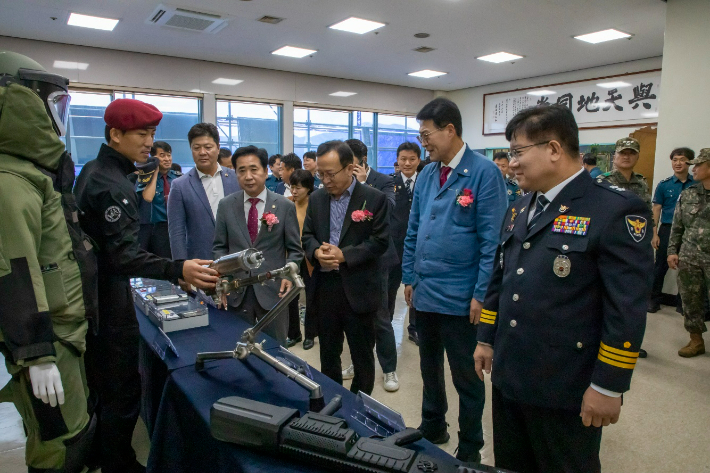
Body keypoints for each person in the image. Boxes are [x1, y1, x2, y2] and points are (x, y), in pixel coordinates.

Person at [473, 104, 653, 473]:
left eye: (517, 152)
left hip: (565, 383)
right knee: (511, 463)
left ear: (554, 148)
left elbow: (626, 308)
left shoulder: (614, 209)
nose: (511, 163)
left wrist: (608, 386)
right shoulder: (519, 207)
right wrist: (486, 337)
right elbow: (502, 278)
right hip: (511, 372)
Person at [74, 99, 219, 473]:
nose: (149, 143)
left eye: (152, 134)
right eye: (142, 134)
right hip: (107, 300)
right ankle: (119, 462)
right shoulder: (111, 185)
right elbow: (123, 256)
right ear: (115, 134)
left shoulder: (95, 170)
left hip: (95, 296)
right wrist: (178, 269)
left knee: (103, 387)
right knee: (120, 389)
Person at [0, 50, 97, 473]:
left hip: (64, 333)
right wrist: (36, 354)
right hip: (48, 340)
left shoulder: (32, 172)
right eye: (51, 105)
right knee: (60, 442)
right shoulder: (11, 180)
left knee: (73, 431)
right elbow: (14, 272)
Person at [402, 98, 507, 462]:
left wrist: (482, 294)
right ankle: (433, 425)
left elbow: (491, 241)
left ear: (450, 130)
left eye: (426, 134)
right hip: (426, 291)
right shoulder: (429, 173)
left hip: (463, 298)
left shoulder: (484, 173)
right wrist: (409, 276)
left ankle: (472, 445)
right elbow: (414, 229)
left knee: (467, 377)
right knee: (429, 366)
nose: (423, 142)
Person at [301, 140, 390, 395]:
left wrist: (345, 255)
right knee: (329, 352)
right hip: (325, 288)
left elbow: (380, 242)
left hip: (358, 287)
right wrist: (316, 251)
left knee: (362, 355)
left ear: (350, 168)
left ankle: (359, 406)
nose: (325, 180)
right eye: (320, 174)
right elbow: (307, 236)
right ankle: (333, 401)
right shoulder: (316, 199)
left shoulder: (374, 199)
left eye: (331, 174)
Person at [213, 146, 303, 345]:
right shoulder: (226, 205)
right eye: (241, 170)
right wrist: (224, 277)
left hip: (274, 291)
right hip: (237, 291)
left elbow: (295, 249)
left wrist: (289, 274)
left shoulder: (284, 206)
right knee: (238, 348)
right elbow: (220, 247)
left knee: (275, 350)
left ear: (265, 171)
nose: (248, 176)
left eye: (254, 169)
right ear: (235, 173)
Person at [345, 138, 399, 392]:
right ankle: (360, 362)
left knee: (380, 317)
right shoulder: (340, 183)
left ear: (362, 161)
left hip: (377, 260)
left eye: (351, 164)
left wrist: (364, 185)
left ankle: (389, 369)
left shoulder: (384, 181)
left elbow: (389, 209)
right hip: (350, 259)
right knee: (355, 317)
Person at [598, 137, 653, 357]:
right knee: (610, 295)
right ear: (614, 156)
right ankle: (606, 342)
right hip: (611, 247)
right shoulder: (603, 181)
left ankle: (628, 343)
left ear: (637, 156)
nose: (626, 156)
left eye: (631, 153)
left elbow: (646, 213)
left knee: (632, 296)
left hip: (636, 247)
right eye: (622, 153)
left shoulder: (642, 183)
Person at [167, 123, 240, 260]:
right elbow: (176, 232)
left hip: (236, 259)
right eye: (196, 148)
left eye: (208, 147)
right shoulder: (180, 186)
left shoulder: (236, 178)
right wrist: (181, 266)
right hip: (200, 261)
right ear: (191, 149)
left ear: (218, 148)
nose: (202, 152)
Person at [667, 148, 710, 358]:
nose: (694, 168)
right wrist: (672, 251)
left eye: (699, 165)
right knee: (691, 301)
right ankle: (696, 340)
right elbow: (677, 226)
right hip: (690, 258)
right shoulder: (689, 194)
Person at [648, 148, 695, 313]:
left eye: (682, 159)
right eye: (675, 160)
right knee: (660, 266)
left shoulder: (697, 184)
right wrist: (654, 234)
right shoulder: (664, 185)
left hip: (690, 231)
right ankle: (653, 300)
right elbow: (656, 209)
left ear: (690, 162)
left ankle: (683, 304)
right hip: (667, 229)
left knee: (688, 268)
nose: (678, 163)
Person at [390, 142, 422, 345]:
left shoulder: (427, 182)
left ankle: (415, 328)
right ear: (398, 160)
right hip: (394, 245)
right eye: (403, 159)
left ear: (419, 160)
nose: (407, 163)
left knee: (416, 286)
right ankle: (385, 323)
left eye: (412, 159)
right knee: (390, 286)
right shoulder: (389, 183)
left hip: (419, 244)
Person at [284, 169, 317, 349]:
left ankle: (310, 334)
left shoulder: (316, 204)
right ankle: (293, 333)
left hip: (311, 257)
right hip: (291, 256)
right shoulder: (287, 204)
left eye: (298, 188)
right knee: (290, 296)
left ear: (309, 188)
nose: (294, 192)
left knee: (311, 297)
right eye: (292, 187)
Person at [137, 141, 181, 258]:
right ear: (153, 157)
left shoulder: (178, 178)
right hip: (156, 229)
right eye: (162, 155)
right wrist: (154, 171)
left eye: (169, 155)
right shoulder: (146, 179)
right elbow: (147, 197)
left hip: (176, 226)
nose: (167, 159)